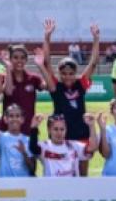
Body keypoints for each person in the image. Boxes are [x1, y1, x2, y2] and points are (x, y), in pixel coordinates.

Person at [35, 20, 101, 176]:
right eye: (64, 73)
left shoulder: (81, 85)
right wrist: (47, 37)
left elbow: (93, 63)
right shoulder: (55, 87)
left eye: (71, 73)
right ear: (59, 74)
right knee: (63, 171)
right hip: (62, 136)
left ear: (75, 73)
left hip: (82, 134)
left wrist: (96, 39)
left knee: (83, 174)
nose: (67, 76)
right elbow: (47, 63)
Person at [1, 45, 43, 136]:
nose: (19, 61)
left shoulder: (33, 78)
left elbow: (50, 87)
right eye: (15, 57)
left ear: (26, 60)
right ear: (10, 59)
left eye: (22, 58)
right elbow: (8, 92)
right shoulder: (5, 77)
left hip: (28, 128)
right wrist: (8, 68)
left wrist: (41, 65)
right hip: (8, 129)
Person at [0, 105, 37, 177]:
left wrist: (24, 153)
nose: (14, 119)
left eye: (17, 116)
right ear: (5, 119)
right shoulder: (2, 137)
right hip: (4, 184)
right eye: (11, 116)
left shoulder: (28, 140)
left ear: (22, 119)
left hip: (23, 184)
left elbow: (32, 168)